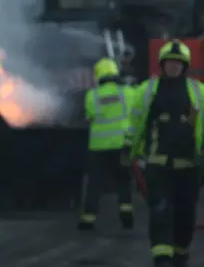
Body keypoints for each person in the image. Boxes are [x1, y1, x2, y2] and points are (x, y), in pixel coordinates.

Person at [129, 40, 204, 267]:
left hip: (189, 167)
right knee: (160, 212)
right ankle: (162, 259)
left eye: (178, 63)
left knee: (185, 216)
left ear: (185, 66)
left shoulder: (199, 92)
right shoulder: (146, 90)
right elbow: (135, 123)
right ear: (162, 65)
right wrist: (128, 150)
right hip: (157, 165)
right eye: (169, 63)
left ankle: (181, 254)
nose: (173, 67)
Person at [78, 57, 135, 231]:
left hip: (98, 147)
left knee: (95, 184)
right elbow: (135, 114)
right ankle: (126, 216)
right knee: (124, 181)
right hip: (122, 145)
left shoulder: (91, 95)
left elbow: (89, 117)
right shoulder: (127, 92)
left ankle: (88, 219)